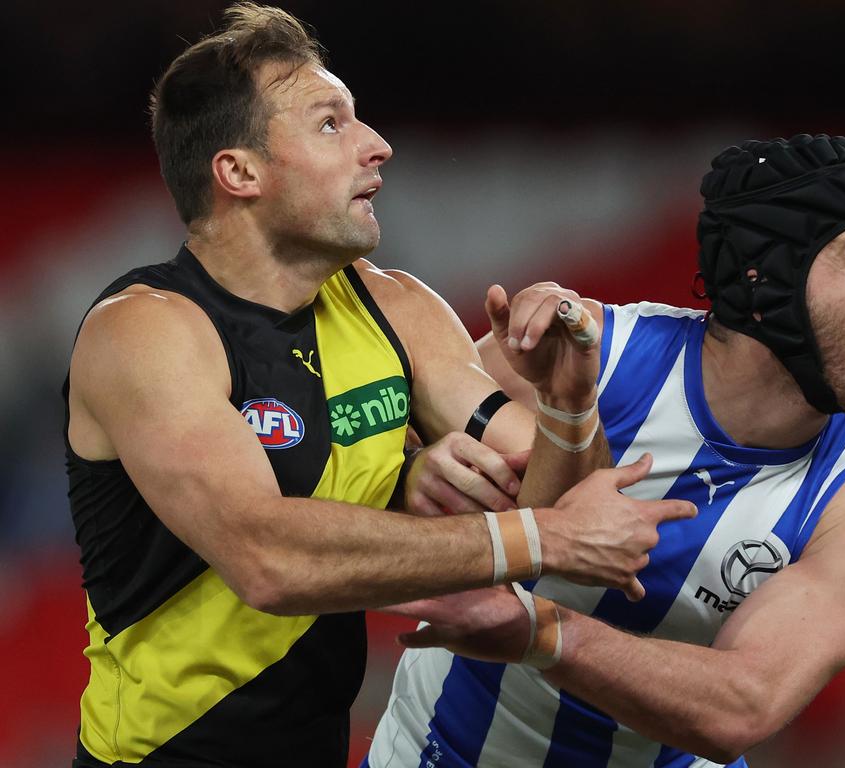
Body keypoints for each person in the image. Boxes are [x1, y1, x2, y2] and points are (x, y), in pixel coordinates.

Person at [62, 4, 694, 766]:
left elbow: (560, 502)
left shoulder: (394, 306)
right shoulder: (145, 331)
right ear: (239, 171)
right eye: (331, 123)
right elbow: (267, 558)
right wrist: (528, 533)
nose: (377, 145)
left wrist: (566, 407)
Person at [365, 134, 845, 768]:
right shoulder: (585, 356)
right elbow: (373, 459)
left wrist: (542, 631)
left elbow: (743, 705)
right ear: (764, 277)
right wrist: (413, 469)